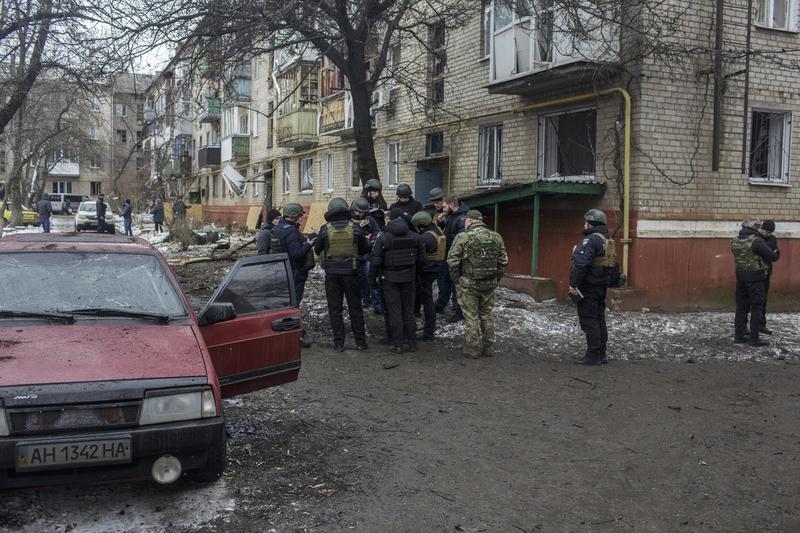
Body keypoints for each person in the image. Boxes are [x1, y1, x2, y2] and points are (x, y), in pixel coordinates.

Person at [447, 210, 508, 358]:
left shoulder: (463, 237)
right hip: (489, 283)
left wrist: (457, 280)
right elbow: (503, 261)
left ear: (470, 221)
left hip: (469, 284)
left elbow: (452, 261)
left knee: (471, 316)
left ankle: (473, 349)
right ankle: (489, 347)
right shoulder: (496, 237)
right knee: (487, 314)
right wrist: (495, 279)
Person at [315, 198, 372, 352]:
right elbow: (365, 249)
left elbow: (317, 249)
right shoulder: (355, 227)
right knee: (355, 307)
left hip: (332, 274)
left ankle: (338, 343)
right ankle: (361, 343)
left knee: (335, 309)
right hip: (351, 273)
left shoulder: (325, 229)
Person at [370, 208, 425, 353]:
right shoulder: (415, 237)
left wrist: (372, 280)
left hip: (390, 279)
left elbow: (375, 262)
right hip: (409, 278)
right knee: (409, 311)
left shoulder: (383, 238)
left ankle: (398, 344)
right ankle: (412, 343)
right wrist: (417, 275)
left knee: (395, 312)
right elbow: (421, 260)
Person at [569, 209, 615, 365]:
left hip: (588, 286)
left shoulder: (590, 240)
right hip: (601, 285)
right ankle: (601, 353)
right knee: (599, 318)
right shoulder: (606, 238)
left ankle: (593, 355)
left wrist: (573, 284)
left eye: (585, 222)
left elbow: (581, 264)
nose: (584, 225)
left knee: (590, 320)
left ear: (590, 223)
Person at [731, 216, 779, 346]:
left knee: (741, 308)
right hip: (756, 278)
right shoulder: (756, 241)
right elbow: (772, 256)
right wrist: (775, 251)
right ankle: (754, 338)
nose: (759, 228)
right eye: (757, 226)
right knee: (757, 307)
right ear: (753, 228)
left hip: (740, 278)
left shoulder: (734, 240)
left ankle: (739, 335)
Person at [271, 203, 316, 305]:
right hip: (294, 271)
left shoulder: (278, 228)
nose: (302, 218)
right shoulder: (291, 231)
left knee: (284, 301)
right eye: (300, 216)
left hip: (281, 269)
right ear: (294, 216)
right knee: (294, 302)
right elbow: (296, 253)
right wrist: (308, 245)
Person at [412, 211, 446, 341]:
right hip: (435, 268)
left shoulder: (425, 238)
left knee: (427, 301)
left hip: (427, 271)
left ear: (420, 226)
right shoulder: (436, 230)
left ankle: (428, 332)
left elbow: (418, 256)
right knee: (424, 298)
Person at [436, 194, 469, 322]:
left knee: (456, 284)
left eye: (444, 207)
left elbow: (462, 240)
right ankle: (440, 305)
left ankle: (457, 310)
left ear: (451, 205)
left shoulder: (462, 218)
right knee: (444, 280)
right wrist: (440, 221)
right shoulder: (452, 216)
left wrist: (457, 258)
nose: (442, 209)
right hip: (448, 254)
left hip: (456, 257)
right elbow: (448, 229)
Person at [351, 197, 382, 313]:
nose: (361, 214)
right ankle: (360, 298)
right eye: (359, 212)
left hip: (366, 255)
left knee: (367, 277)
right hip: (354, 255)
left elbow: (378, 234)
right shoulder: (349, 221)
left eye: (363, 212)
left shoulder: (371, 220)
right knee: (355, 280)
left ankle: (367, 299)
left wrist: (370, 238)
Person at [759, 219, 779, 335]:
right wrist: (769, 253)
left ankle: (762, 324)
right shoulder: (756, 238)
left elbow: (776, 255)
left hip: (767, 272)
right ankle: (751, 326)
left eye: (770, 232)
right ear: (762, 229)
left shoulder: (772, 239)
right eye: (767, 231)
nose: (768, 234)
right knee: (754, 300)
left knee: (763, 299)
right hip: (756, 272)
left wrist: (769, 254)